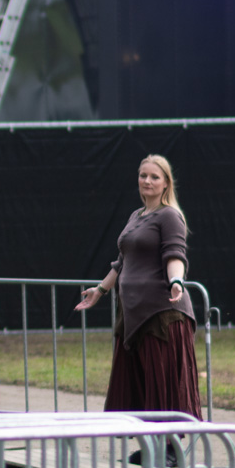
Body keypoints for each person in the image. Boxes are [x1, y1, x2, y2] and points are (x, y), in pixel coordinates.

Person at [75, 155, 200, 445]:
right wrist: (100, 290)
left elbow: (175, 255)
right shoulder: (136, 216)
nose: (147, 181)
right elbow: (122, 262)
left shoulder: (169, 216)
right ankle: (150, 446)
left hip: (161, 314)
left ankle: (170, 448)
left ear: (166, 183)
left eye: (155, 177)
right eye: (143, 175)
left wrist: (176, 281)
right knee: (142, 385)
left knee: (163, 384)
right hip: (132, 315)